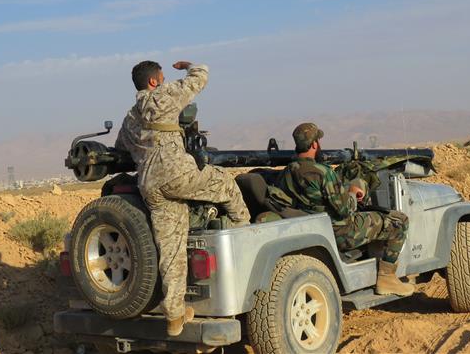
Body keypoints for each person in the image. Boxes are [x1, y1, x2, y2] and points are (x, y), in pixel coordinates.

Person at [115, 60, 251, 336]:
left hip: (149, 185)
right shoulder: (165, 96)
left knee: (171, 247)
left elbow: (121, 149)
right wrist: (190, 65)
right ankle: (244, 232)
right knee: (225, 183)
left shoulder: (130, 118)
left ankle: (175, 316)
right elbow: (200, 77)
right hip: (177, 174)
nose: (164, 81)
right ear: (154, 82)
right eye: (162, 77)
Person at [278, 123, 414, 296]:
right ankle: (387, 278)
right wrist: (352, 193)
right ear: (314, 144)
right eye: (318, 140)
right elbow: (344, 210)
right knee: (399, 221)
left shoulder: (287, 172)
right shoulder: (323, 172)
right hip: (341, 231)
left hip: (314, 230)